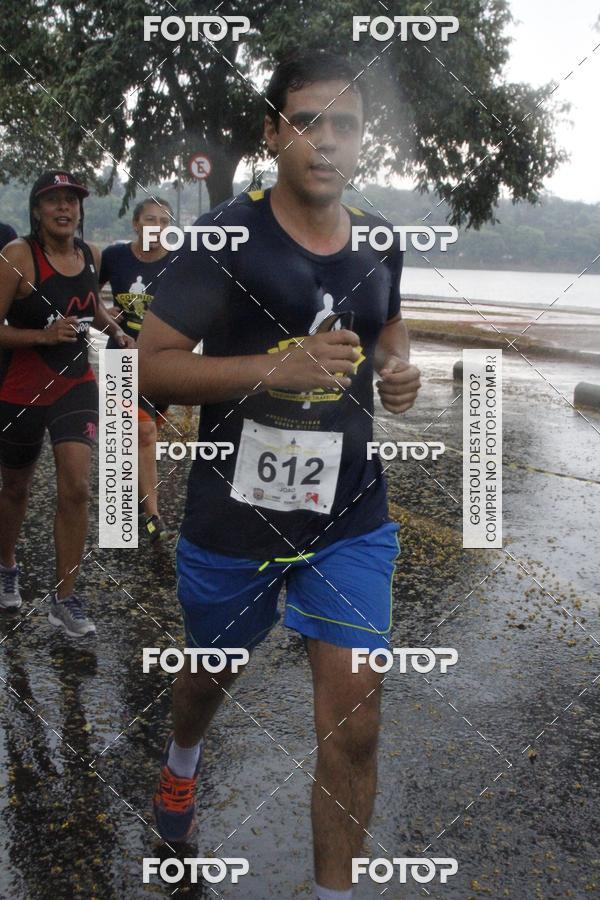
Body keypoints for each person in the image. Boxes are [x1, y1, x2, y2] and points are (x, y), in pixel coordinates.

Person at [138, 51, 421, 899]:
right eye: (307, 122)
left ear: (364, 139)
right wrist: (273, 369)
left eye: (346, 125)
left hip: (349, 517)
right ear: (272, 133)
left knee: (356, 721)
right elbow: (149, 366)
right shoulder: (226, 240)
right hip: (236, 516)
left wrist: (398, 370)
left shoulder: (379, 240)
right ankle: (182, 758)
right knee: (210, 675)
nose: (326, 141)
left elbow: (389, 328)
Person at [0, 170, 132, 634]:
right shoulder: (18, 256)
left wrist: (116, 330)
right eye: (53, 200)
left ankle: (65, 598)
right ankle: (6, 565)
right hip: (21, 387)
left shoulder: (90, 254)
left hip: (76, 382)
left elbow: (91, 305)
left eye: (71, 201)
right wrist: (42, 335)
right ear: (37, 210)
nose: (64, 208)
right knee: (15, 487)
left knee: (77, 487)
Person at [100, 198, 174, 545]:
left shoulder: (179, 261)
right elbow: (83, 293)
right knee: (143, 433)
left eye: (164, 221)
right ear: (136, 224)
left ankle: (128, 493)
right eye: (150, 219)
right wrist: (106, 318)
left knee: (142, 434)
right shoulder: (115, 257)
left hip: (160, 362)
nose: (157, 227)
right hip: (121, 356)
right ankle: (152, 516)